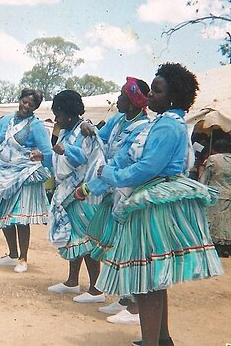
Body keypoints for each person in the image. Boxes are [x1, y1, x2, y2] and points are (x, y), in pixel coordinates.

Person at [77, 63, 223, 346]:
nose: (150, 96)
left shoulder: (168, 125)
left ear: (172, 97)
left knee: (148, 277)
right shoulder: (164, 122)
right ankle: (160, 339)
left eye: (156, 91)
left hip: (152, 203)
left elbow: (147, 167)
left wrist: (111, 175)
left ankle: (152, 342)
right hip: (153, 200)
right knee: (154, 276)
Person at [79, 77, 150, 323]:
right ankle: (124, 298)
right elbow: (101, 138)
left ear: (132, 102)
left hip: (129, 193)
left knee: (128, 247)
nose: (116, 99)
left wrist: (88, 189)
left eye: (120, 95)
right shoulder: (119, 120)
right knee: (115, 246)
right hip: (113, 190)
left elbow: (120, 162)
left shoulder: (142, 128)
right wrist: (89, 129)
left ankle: (135, 308)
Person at [0, 88, 52, 273]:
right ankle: (12, 254)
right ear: (19, 100)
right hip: (3, 172)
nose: (26, 106)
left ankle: (23, 258)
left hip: (24, 175)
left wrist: (41, 156)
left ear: (36, 107)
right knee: (4, 215)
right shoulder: (5, 121)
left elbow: (48, 153)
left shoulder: (37, 126)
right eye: (24, 102)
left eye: (31, 104)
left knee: (20, 219)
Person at [48, 90, 106, 303]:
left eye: (58, 114)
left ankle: (96, 289)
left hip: (83, 193)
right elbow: (56, 156)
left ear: (69, 114)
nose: (56, 119)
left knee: (87, 240)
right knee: (74, 238)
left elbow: (85, 158)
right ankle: (72, 281)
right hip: (68, 191)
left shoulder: (86, 130)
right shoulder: (67, 130)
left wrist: (66, 150)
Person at [199, 138, 231, 257]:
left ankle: (217, 248)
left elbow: (204, 178)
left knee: (216, 223)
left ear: (215, 149)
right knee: (228, 222)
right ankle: (227, 247)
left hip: (216, 194)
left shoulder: (213, 159)